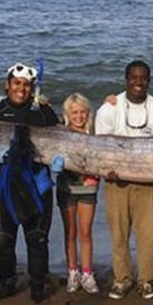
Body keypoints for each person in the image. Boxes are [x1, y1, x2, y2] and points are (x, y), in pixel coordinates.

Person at [0, 63, 61, 304]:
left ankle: (37, 284)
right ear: (7, 85)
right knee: (2, 239)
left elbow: (60, 143)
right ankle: (7, 282)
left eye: (26, 85)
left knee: (37, 238)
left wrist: (60, 160)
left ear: (32, 88)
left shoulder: (44, 113)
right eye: (16, 83)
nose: (21, 89)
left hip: (36, 183)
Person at [95, 60, 153, 300]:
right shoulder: (109, 109)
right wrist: (108, 170)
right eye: (134, 78)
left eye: (143, 78)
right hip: (116, 182)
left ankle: (147, 280)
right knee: (119, 234)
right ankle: (122, 279)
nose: (138, 82)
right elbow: (100, 146)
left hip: (148, 183)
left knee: (147, 235)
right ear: (126, 79)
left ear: (149, 80)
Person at [57, 93, 100, 294]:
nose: (79, 116)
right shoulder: (60, 133)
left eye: (83, 112)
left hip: (88, 187)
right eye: (74, 112)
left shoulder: (94, 135)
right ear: (67, 114)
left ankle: (87, 272)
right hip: (66, 187)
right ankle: (72, 271)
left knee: (85, 232)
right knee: (70, 232)